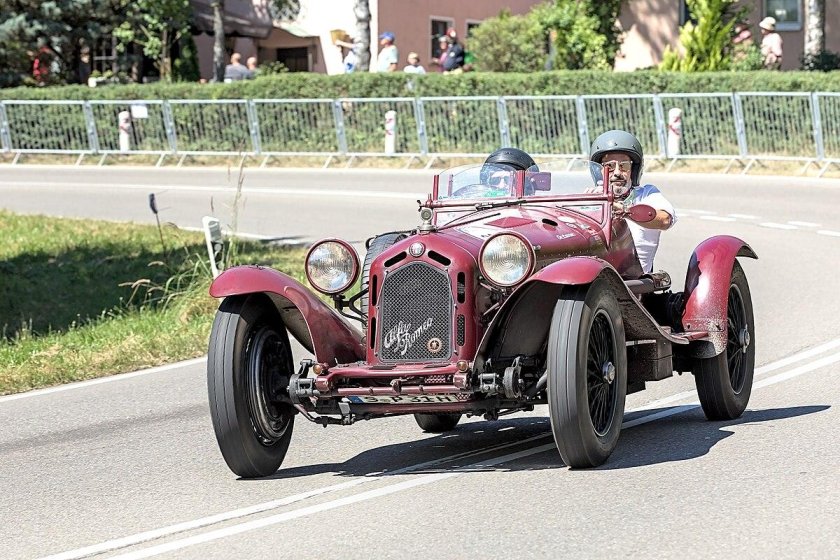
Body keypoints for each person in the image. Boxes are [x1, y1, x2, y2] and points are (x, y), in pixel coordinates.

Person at [589, 130, 677, 273]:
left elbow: (665, 219)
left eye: (624, 165)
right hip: (592, 276)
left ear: (634, 170)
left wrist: (624, 210)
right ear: (598, 170)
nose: (617, 172)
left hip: (635, 282)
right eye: (609, 166)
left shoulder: (647, 194)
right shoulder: (591, 196)